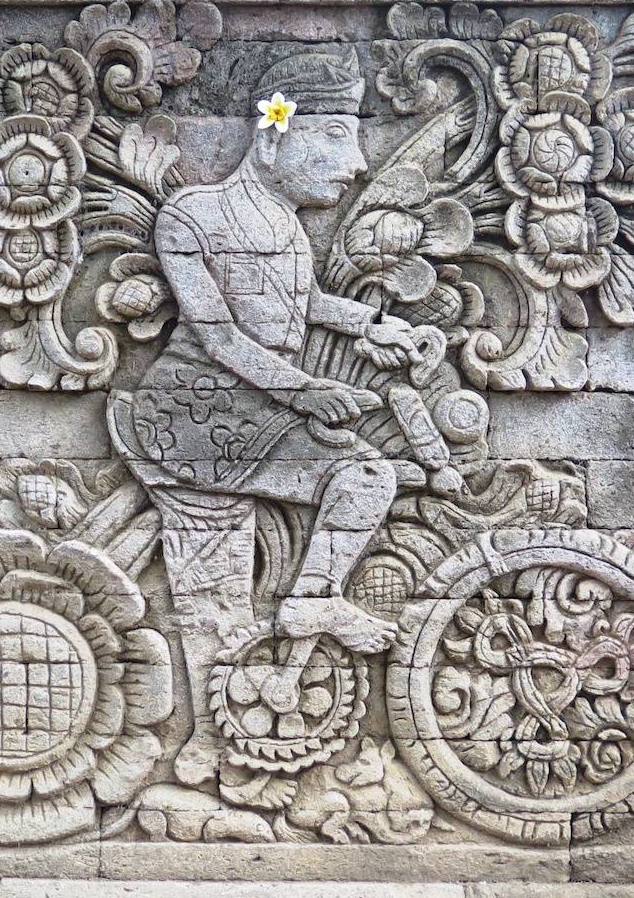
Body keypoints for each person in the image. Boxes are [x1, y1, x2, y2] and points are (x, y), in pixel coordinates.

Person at [106, 48, 419, 783]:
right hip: (191, 419)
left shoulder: (284, 225)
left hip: (253, 414)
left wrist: (369, 326)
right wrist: (306, 394)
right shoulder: (194, 217)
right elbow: (216, 334)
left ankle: (311, 601)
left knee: (366, 474)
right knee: (216, 598)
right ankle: (214, 744)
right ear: (274, 133)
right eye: (337, 136)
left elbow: (300, 306)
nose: (358, 164)